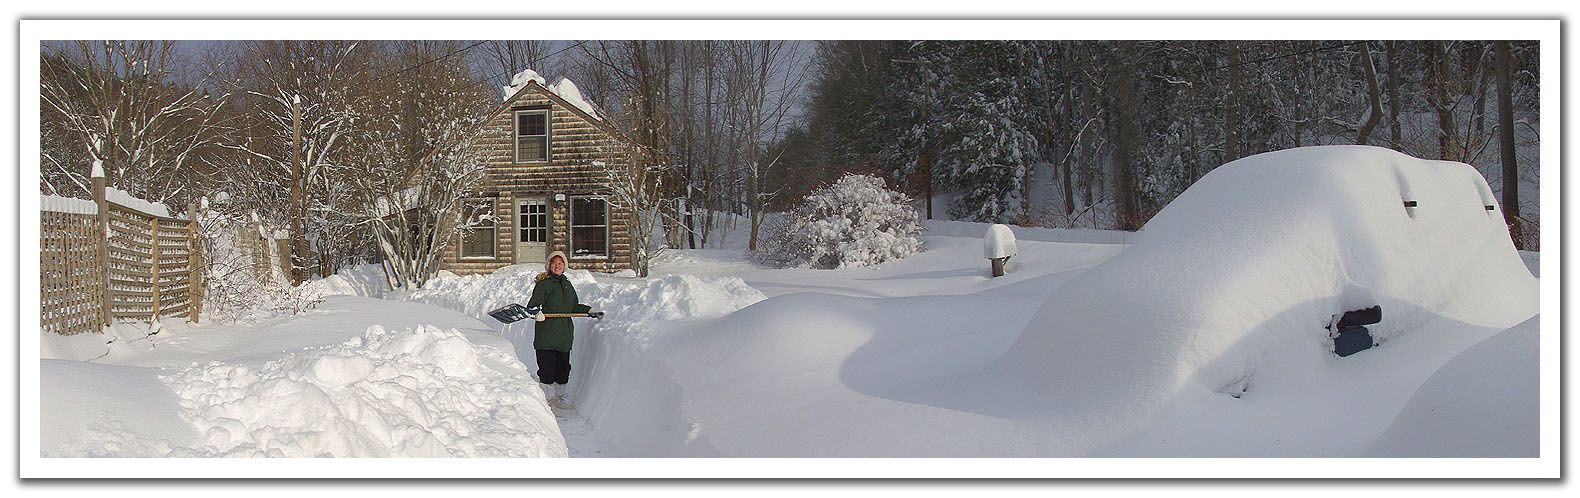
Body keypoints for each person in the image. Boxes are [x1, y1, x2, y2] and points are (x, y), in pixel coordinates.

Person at [527, 251, 590, 408]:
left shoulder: (567, 285)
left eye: (560, 263)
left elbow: (573, 307)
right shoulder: (544, 284)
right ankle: (547, 402)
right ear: (549, 265)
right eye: (554, 263)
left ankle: (558, 399)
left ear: (564, 266)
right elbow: (532, 306)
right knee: (547, 370)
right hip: (546, 335)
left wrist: (589, 310)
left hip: (564, 335)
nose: (557, 266)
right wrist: (537, 313)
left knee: (563, 369)